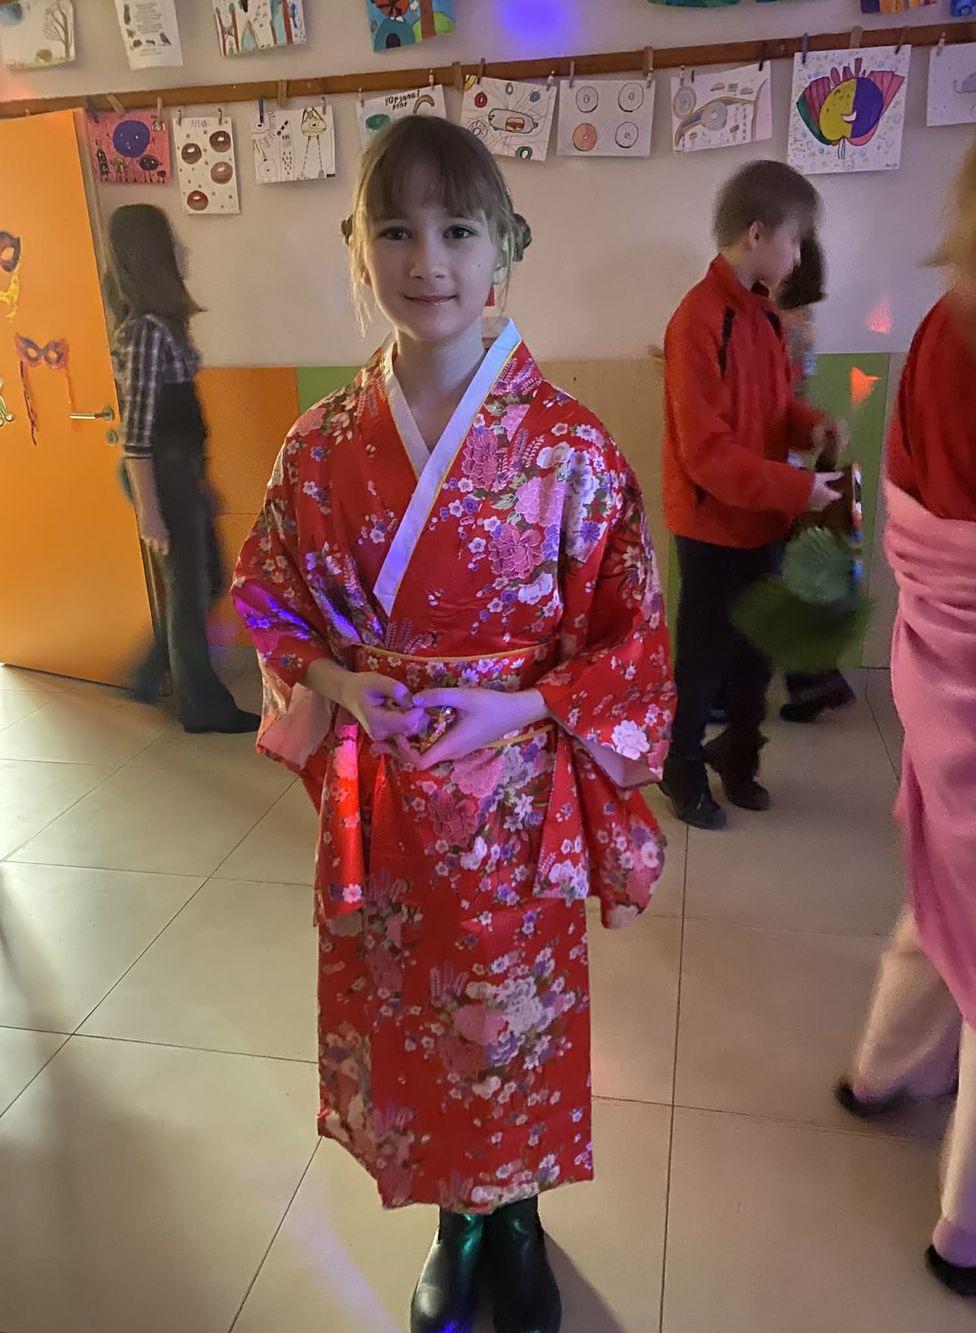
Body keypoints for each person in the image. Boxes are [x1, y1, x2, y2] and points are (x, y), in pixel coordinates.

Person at [232, 117, 675, 1333]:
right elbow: (265, 588)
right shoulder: (320, 445)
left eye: (458, 230)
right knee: (409, 1010)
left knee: (511, 1013)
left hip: (514, 795)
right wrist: (337, 682)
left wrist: (519, 702)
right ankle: (451, 1217)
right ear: (357, 249)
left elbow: (631, 636)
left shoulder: (569, 446)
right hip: (383, 793)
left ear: (504, 250)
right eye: (395, 230)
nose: (427, 259)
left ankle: (515, 1215)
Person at [834, 93, 976, 1298]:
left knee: (951, 888)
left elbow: (910, 500)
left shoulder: (948, 324)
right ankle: (974, 1226)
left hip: (942, 674)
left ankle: (881, 1071)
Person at [659, 161, 843, 831]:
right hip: (712, 526)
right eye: (795, 240)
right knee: (704, 658)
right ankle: (681, 765)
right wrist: (800, 487)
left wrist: (810, 425)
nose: (798, 255)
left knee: (755, 653)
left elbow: (774, 409)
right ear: (757, 234)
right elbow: (706, 455)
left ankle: (739, 753)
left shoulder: (764, 314)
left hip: (764, 516)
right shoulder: (697, 320)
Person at [106, 204, 259, 734]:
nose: (184, 250)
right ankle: (200, 706)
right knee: (191, 589)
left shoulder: (163, 326)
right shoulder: (146, 332)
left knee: (205, 580)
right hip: (161, 475)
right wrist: (150, 511)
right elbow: (138, 434)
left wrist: (201, 481)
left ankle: (149, 673)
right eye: (174, 242)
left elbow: (182, 422)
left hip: (178, 472)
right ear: (152, 256)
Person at [775, 232, 856, 724]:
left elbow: (772, 400)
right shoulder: (803, 323)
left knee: (776, 581)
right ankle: (816, 680)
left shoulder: (779, 325)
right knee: (794, 580)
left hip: (776, 471)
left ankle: (816, 680)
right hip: (792, 464)